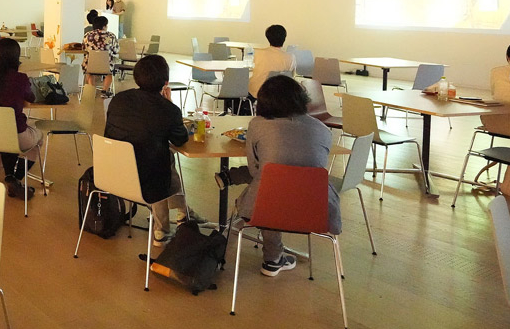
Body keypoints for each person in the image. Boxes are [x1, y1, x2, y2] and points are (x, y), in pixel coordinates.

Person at [215, 75, 341, 276]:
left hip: (268, 207)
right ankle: (273, 259)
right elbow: (311, 172)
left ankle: (271, 257)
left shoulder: (257, 125)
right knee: (277, 186)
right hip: (315, 211)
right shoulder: (323, 130)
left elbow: (256, 172)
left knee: (269, 189)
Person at [104, 55, 203, 246]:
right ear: (166, 83)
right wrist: (170, 104)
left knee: (160, 156)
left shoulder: (118, 99)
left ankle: (183, 212)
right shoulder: (167, 110)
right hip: (147, 183)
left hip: (112, 174)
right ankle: (163, 230)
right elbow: (180, 139)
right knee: (160, 159)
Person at [0, 38, 43, 198]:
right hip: (15, 135)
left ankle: (9, 176)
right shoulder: (20, 78)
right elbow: (32, 97)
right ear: (16, 57)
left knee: (7, 140)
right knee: (38, 139)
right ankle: (14, 178)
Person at [247, 24, 296, 100]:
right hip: (280, 94)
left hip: (257, 92)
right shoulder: (291, 57)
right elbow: (291, 76)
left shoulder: (258, 53)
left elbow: (249, 68)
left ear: (268, 38)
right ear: (284, 38)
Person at [82, 15, 119, 98]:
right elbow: (116, 50)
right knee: (110, 72)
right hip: (106, 65)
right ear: (104, 26)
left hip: (91, 65)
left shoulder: (87, 35)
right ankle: (104, 90)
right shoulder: (111, 36)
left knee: (88, 70)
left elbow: (84, 48)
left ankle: (92, 89)